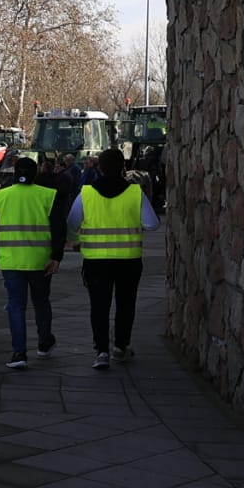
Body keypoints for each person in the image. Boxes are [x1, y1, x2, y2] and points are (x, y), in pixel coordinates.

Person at [68, 147, 161, 370]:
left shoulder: (87, 194)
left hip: (96, 261)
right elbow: (152, 224)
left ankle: (101, 351)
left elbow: (71, 223)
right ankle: (121, 346)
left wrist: (76, 240)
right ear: (123, 167)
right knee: (126, 304)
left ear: (99, 168)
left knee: (99, 306)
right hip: (128, 260)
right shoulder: (135, 193)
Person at [0, 156, 66, 368]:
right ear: (36, 173)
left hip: (10, 261)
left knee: (15, 306)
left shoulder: (0, 197)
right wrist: (56, 256)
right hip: (41, 261)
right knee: (41, 302)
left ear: (14, 173)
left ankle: (19, 353)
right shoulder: (48, 196)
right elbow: (59, 228)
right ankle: (44, 342)